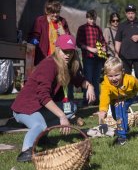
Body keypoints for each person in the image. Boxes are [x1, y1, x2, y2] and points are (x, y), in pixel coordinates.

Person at [11, 34, 95, 162]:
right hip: (25, 107)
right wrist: (62, 116)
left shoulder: (66, 65)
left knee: (71, 108)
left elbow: (79, 80)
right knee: (40, 125)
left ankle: (41, 138)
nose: (68, 55)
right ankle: (25, 152)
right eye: (64, 51)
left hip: (39, 106)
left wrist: (89, 86)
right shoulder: (49, 64)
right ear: (57, 49)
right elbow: (43, 96)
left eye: (71, 52)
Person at [98, 57, 138, 146]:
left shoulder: (130, 80)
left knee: (120, 111)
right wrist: (103, 110)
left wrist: (130, 95)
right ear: (106, 75)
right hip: (114, 100)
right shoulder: (105, 84)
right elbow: (104, 97)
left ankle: (122, 137)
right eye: (110, 76)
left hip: (128, 98)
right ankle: (125, 128)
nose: (113, 79)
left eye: (116, 75)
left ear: (122, 72)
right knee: (115, 116)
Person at [115, 4, 138, 106]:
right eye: (129, 13)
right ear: (126, 14)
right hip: (125, 56)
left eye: (132, 13)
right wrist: (116, 54)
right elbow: (118, 40)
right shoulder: (122, 25)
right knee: (126, 77)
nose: (130, 15)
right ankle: (128, 96)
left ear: (135, 13)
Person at [76, 9, 107, 105]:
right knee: (88, 78)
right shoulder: (82, 28)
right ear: (87, 18)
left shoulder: (98, 29)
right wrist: (90, 49)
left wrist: (104, 47)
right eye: (90, 19)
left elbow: (102, 41)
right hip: (88, 57)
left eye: (93, 19)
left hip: (98, 58)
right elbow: (79, 43)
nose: (92, 21)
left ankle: (96, 99)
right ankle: (87, 99)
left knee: (96, 79)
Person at [29, 0, 70, 66]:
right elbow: (34, 35)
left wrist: (64, 35)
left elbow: (69, 42)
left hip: (59, 60)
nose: (56, 14)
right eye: (53, 12)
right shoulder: (40, 21)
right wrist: (34, 41)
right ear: (47, 11)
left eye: (57, 12)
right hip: (44, 58)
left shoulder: (62, 22)